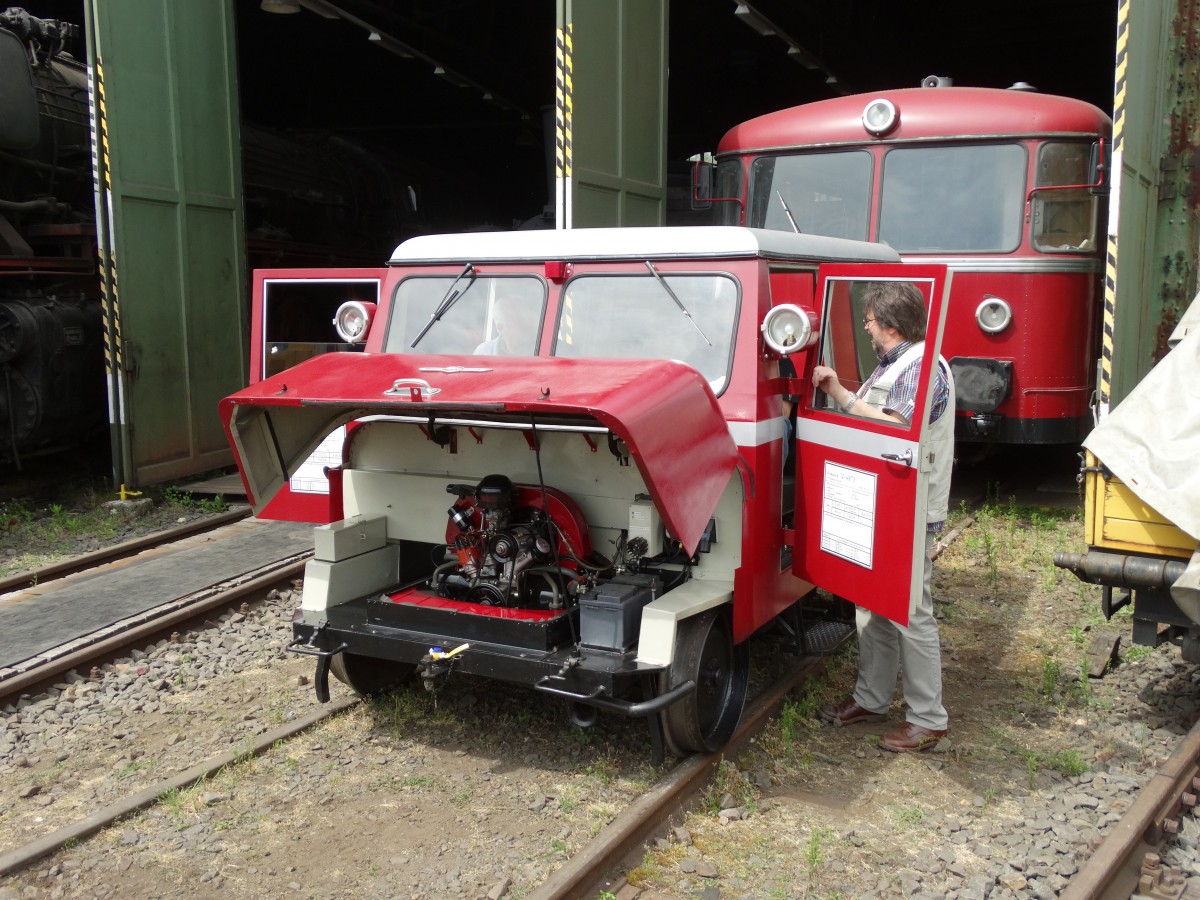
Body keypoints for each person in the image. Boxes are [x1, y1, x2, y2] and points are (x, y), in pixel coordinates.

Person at [811, 281, 955, 753]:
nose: (866, 327)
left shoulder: (923, 366)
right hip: (887, 500)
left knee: (910, 610)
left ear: (891, 324)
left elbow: (898, 428)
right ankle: (871, 699)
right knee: (871, 603)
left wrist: (840, 394)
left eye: (870, 320)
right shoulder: (897, 363)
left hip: (908, 505)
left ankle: (928, 719)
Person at [474, 294, 539, 355]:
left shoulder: (539, 349)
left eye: (528, 320)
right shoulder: (484, 352)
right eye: (520, 321)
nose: (528, 326)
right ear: (500, 328)